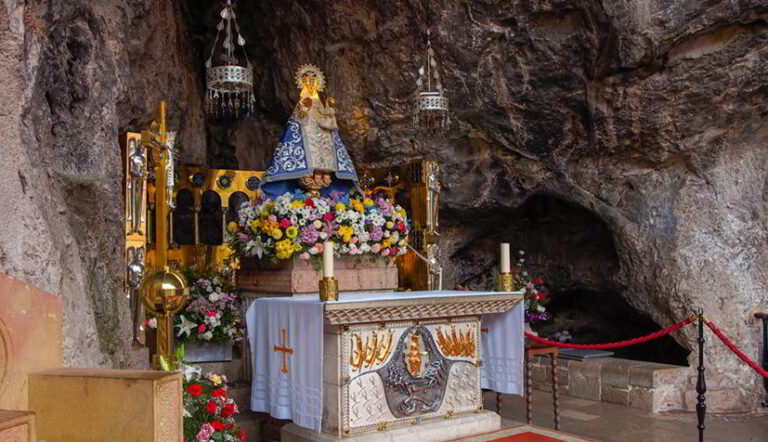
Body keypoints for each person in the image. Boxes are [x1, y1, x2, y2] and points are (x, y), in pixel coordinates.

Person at [260, 64, 360, 197]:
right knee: (309, 162)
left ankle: (322, 181)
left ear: (318, 84)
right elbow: (298, 119)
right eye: (308, 82)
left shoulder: (321, 103)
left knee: (324, 165)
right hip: (307, 137)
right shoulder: (303, 101)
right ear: (304, 84)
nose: (311, 84)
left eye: (313, 82)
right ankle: (308, 179)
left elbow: (328, 120)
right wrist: (304, 109)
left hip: (323, 139)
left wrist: (328, 111)